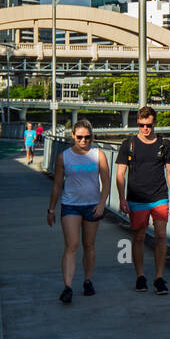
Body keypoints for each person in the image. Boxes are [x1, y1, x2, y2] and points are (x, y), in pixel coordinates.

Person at [115, 106, 170, 294]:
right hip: (137, 197)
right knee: (139, 237)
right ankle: (140, 276)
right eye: (141, 125)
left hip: (159, 196)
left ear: (154, 123)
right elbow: (120, 172)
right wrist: (122, 198)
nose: (145, 129)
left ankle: (159, 277)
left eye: (148, 125)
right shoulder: (129, 144)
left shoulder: (165, 144)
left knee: (160, 235)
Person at [47, 119, 109, 304]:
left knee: (89, 245)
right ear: (73, 136)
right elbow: (57, 184)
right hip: (70, 205)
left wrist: (102, 203)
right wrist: (51, 208)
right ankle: (68, 287)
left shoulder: (99, 155)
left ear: (92, 137)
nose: (84, 141)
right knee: (72, 245)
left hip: (92, 205)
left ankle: (87, 280)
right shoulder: (64, 157)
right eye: (80, 137)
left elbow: (106, 182)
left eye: (88, 137)